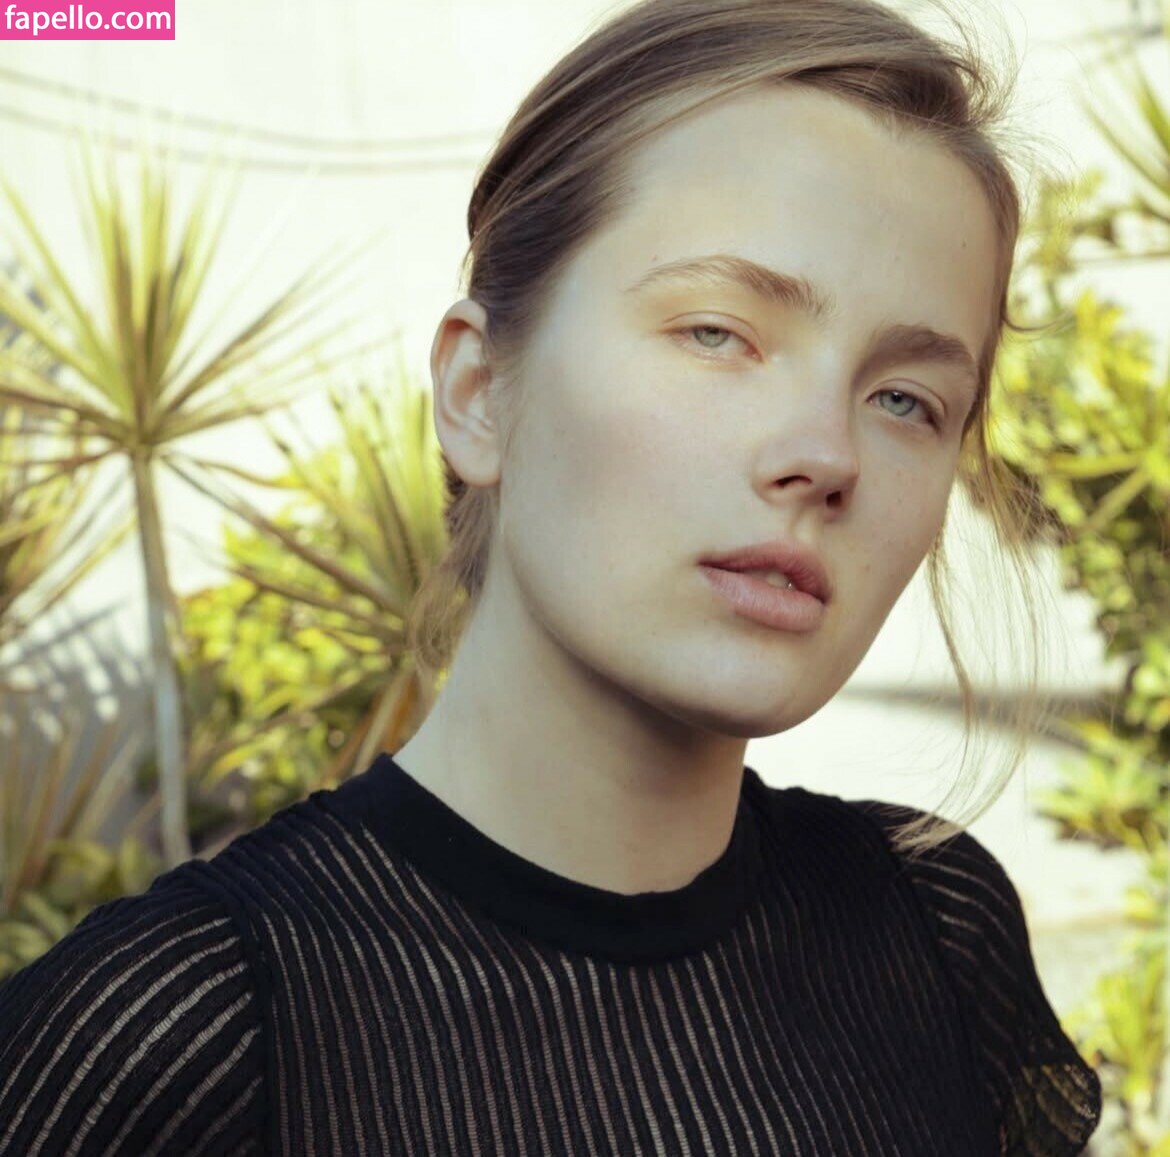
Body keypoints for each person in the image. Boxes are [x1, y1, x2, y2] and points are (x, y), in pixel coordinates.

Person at [0, 0, 1104, 1153]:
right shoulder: (182, 1033)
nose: (827, 454)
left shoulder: (935, 929)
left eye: (906, 399)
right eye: (718, 333)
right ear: (479, 392)